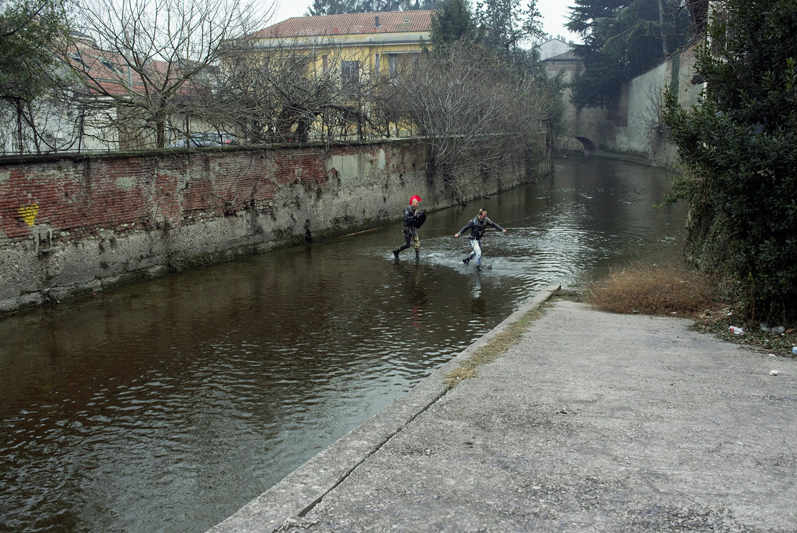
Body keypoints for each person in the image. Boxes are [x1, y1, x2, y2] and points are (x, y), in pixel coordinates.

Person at [393, 195, 425, 260]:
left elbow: (415, 220)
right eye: (417, 203)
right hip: (407, 229)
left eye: (418, 203)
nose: (417, 205)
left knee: (417, 242)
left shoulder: (415, 210)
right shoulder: (407, 209)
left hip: (412, 228)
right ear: (413, 203)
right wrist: (414, 217)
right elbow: (405, 218)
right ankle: (396, 252)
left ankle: (417, 257)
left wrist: (418, 218)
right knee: (408, 245)